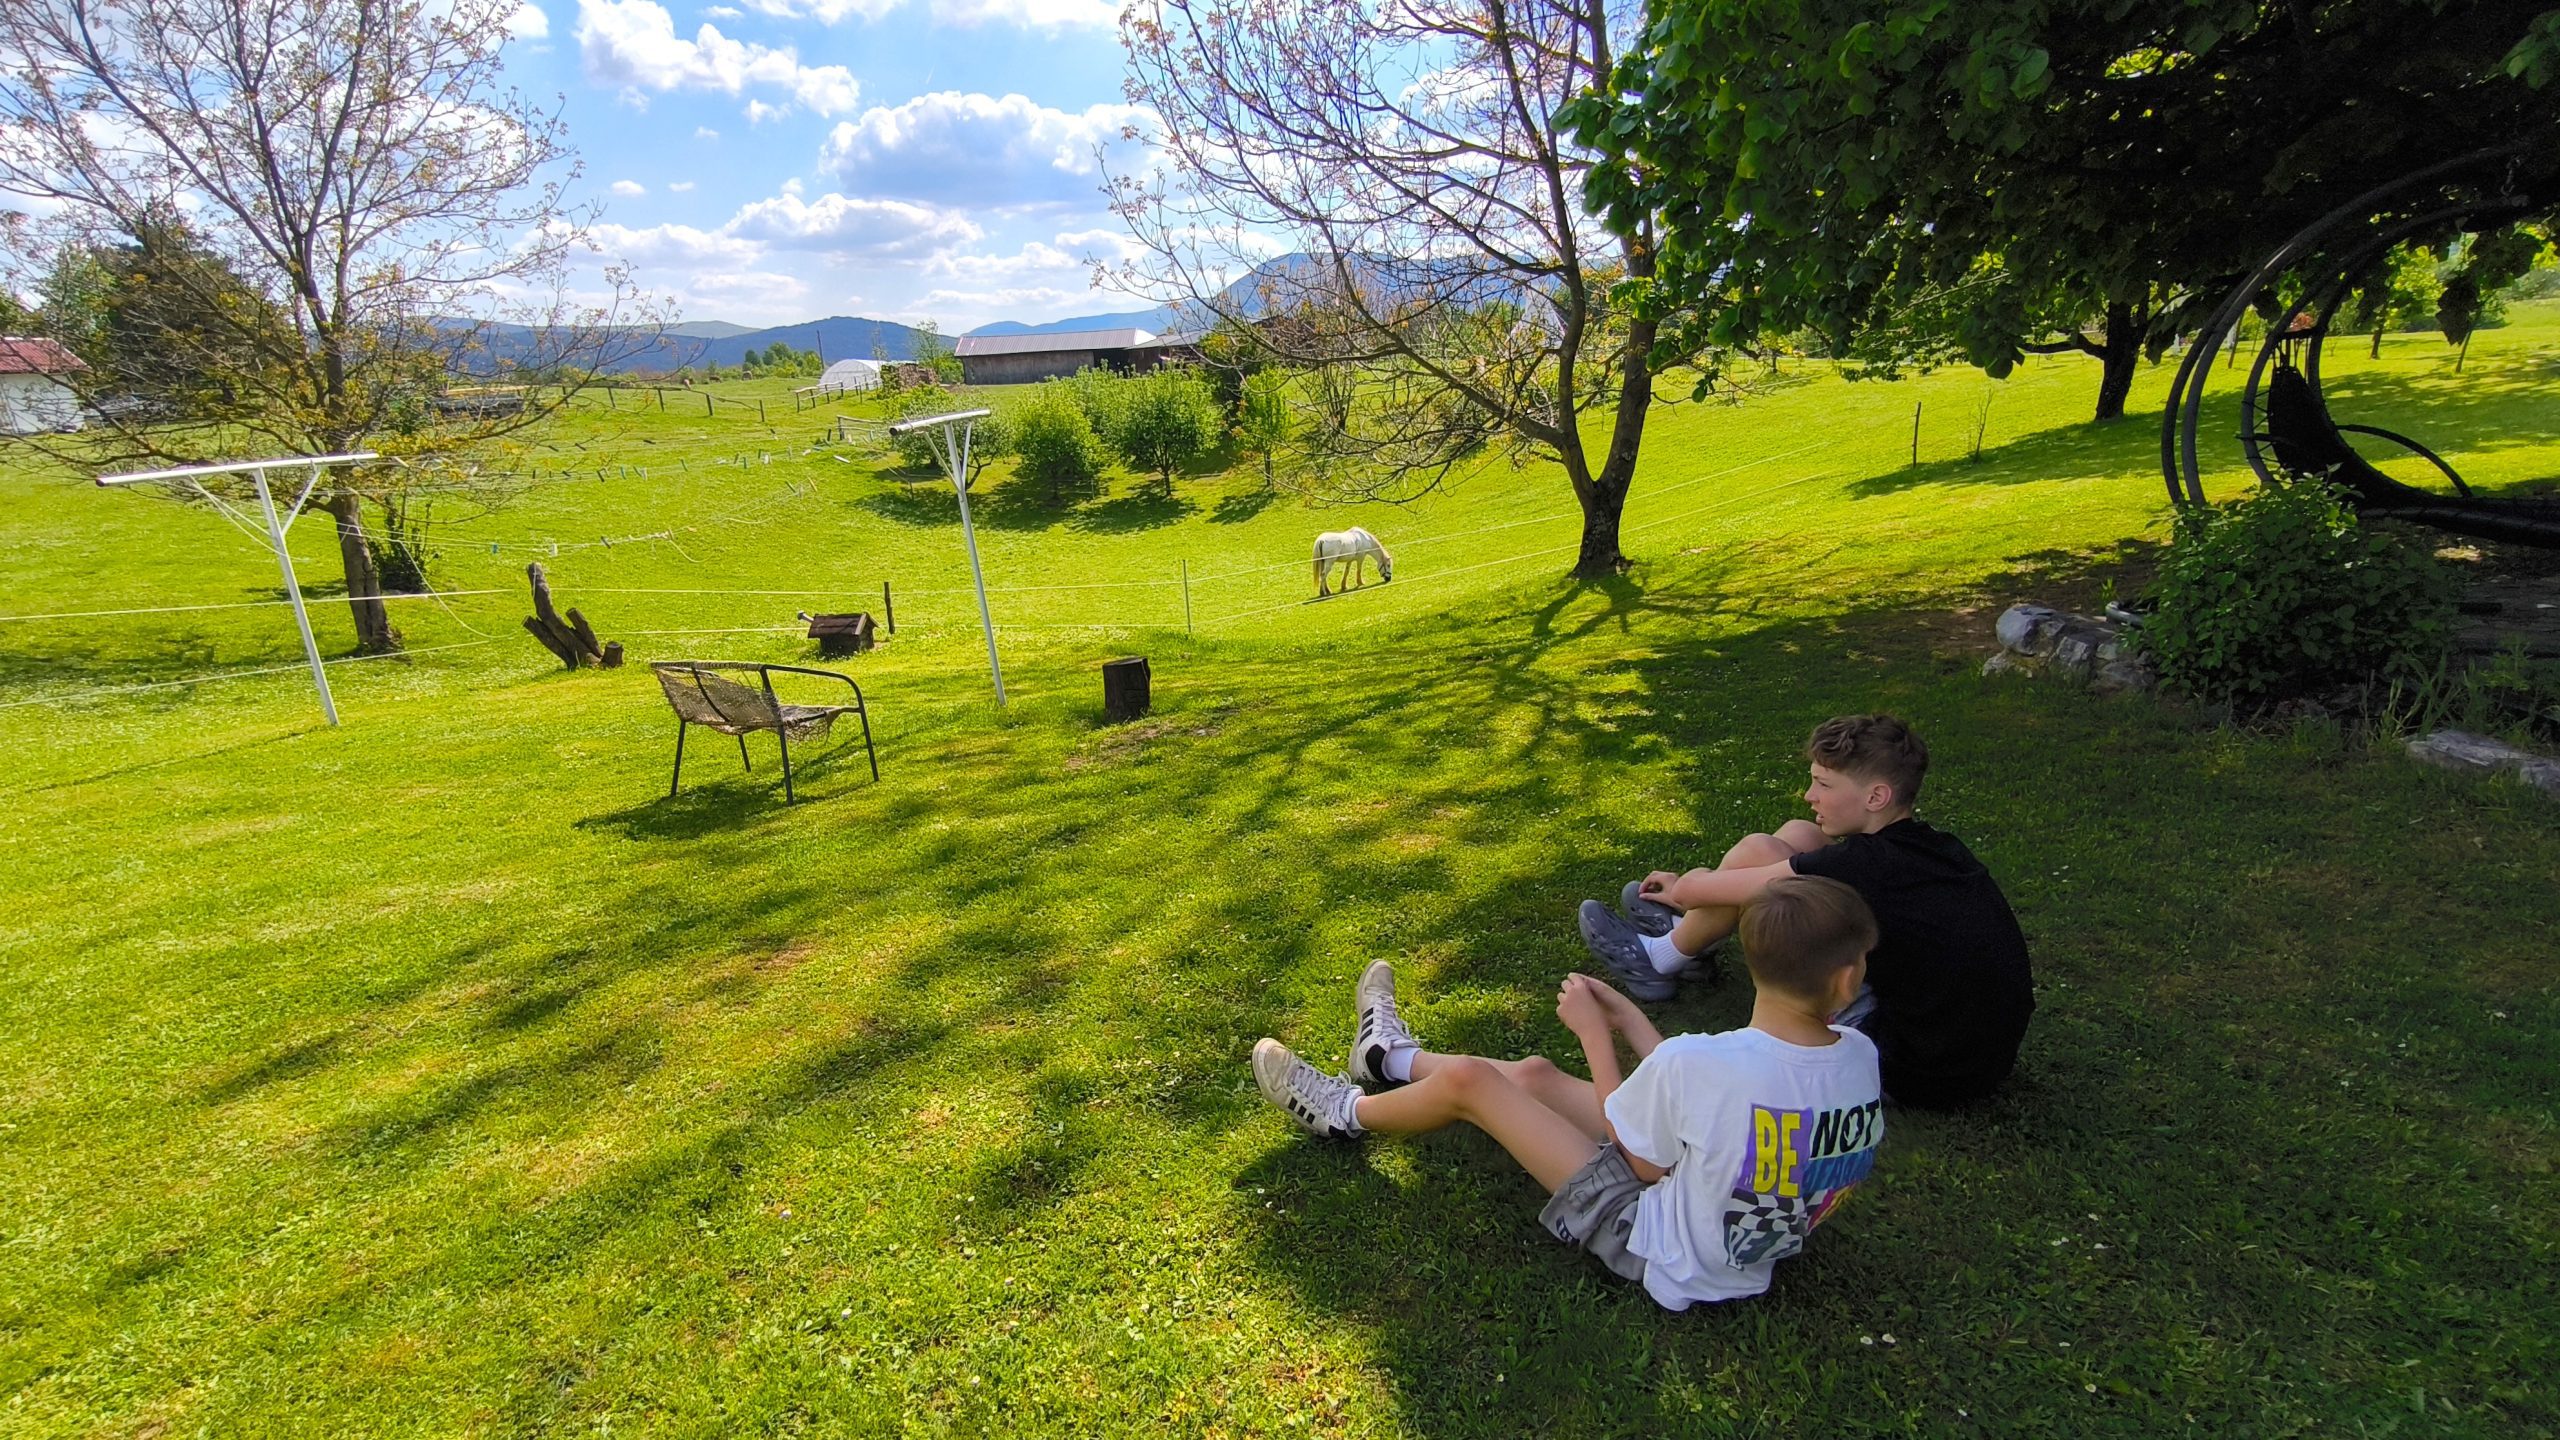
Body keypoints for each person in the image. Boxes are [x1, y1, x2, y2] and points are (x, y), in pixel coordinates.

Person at [1249, 876, 1886, 1309]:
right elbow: (1702, 1095)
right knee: (1532, 1077)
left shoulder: (1706, 1062)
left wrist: (1593, 1037)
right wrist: (1632, 1021)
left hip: (1660, 1245)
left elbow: (1640, 1161)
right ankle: (1387, 1058)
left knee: (1477, 1085)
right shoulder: (1858, 1057)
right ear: (1848, 976)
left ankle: (1343, 1114)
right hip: (1732, 1221)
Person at [1577, 713, 2035, 1108]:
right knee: (1799, 834)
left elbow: (1701, 889)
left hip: (1913, 1069)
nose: (1809, 794)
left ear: (1875, 797)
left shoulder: (1861, 866)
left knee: (1760, 853)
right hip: (1974, 1056)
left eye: (1823, 784)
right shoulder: (1930, 849)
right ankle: (1691, 946)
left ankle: (1663, 956)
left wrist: (1684, 886)